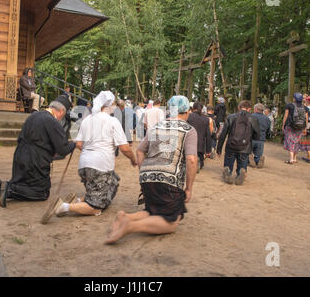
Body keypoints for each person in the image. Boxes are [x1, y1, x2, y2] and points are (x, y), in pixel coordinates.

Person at [105, 95, 198, 244]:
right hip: (169, 180)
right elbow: (192, 160)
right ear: (187, 112)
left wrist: (143, 173)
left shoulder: (157, 126)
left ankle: (126, 217)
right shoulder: (189, 130)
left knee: (154, 210)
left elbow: (140, 151)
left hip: (147, 177)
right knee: (172, 221)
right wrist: (189, 188)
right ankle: (130, 226)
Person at [43, 91, 137, 222]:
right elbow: (124, 148)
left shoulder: (87, 120)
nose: (115, 107)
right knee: (96, 208)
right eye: (114, 104)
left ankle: (79, 200)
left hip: (84, 165)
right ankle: (64, 207)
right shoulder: (112, 121)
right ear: (109, 105)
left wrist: (90, 153)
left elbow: (79, 143)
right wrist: (133, 159)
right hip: (100, 166)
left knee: (113, 181)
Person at [0, 96, 76, 207]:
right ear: (62, 111)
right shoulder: (52, 121)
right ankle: (8, 188)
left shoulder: (34, 115)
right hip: (35, 159)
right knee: (41, 193)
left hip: (20, 154)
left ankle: (6, 188)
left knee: (23, 182)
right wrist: (74, 144)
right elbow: (62, 148)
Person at [217, 100, 260, 185]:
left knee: (229, 162)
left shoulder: (231, 117)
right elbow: (257, 136)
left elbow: (223, 134)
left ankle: (228, 172)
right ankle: (241, 172)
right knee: (242, 163)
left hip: (231, 146)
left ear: (239, 107)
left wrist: (219, 149)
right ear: (249, 109)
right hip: (245, 147)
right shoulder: (253, 119)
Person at [282, 93, 308, 164]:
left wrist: (283, 124)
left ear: (294, 98)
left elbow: (286, 115)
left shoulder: (289, 105)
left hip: (290, 126)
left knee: (290, 141)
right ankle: (295, 158)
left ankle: (291, 159)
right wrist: (305, 128)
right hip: (300, 127)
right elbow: (306, 119)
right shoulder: (305, 108)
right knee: (297, 141)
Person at [187, 101, 212, 171]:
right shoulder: (206, 119)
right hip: (200, 145)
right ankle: (199, 162)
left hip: (189, 144)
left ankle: (194, 163)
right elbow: (208, 135)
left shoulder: (188, 117)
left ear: (193, 108)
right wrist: (208, 150)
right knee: (200, 157)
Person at [249, 104, 271, 168]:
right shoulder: (267, 119)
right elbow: (268, 130)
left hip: (251, 138)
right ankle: (258, 160)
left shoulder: (251, 116)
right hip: (261, 138)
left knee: (248, 152)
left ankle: (249, 158)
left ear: (255, 109)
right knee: (258, 154)